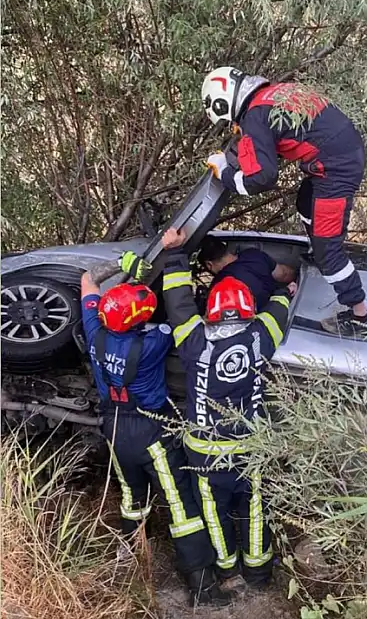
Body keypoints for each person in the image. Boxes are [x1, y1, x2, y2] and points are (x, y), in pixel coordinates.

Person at [79, 253, 232, 607]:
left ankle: (132, 561)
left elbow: (88, 280)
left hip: (114, 427)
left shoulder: (94, 330)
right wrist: (144, 273)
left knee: (132, 497)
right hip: (152, 430)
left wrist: (121, 266)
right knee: (179, 502)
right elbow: (177, 320)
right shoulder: (154, 341)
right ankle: (202, 586)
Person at [160, 227, 294, 588]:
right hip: (250, 450)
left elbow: (178, 303)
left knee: (214, 513)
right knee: (253, 510)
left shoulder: (193, 340)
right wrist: (282, 291)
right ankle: (258, 571)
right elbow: (279, 310)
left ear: (213, 311)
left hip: (205, 454)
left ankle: (226, 569)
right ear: (249, 311)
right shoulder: (260, 337)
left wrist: (174, 257)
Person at [200, 66, 367, 335]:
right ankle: (320, 249)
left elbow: (261, 178)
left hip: (335, 169)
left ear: (224, 103)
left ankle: (359, 315)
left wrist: (225, 171)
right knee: (305, 202)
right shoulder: (269, 95)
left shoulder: (255, 116)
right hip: (339, 155)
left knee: (329, 253)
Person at [197, 237, 298, 305]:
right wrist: (298, 281)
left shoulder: (218, 286)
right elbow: (284, 274)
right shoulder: (254, 254)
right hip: (283, 304)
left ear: (209, 264)